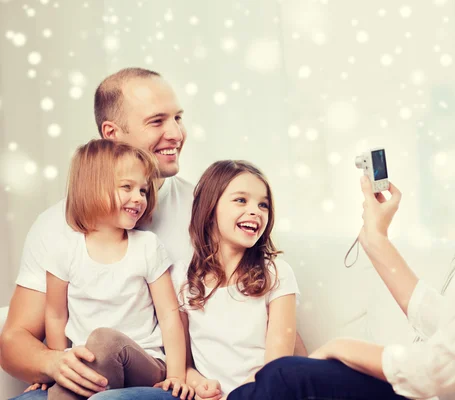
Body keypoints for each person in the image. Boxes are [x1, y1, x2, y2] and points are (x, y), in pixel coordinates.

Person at [225, 40, 455, 400]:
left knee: (287, 377)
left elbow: (436, 369)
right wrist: (376, 239)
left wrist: (342, 347)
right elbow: (454, 326)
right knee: (283, 376)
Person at [1, 68, 194, 400]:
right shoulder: (56, 229)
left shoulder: (208, 209)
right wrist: (54, 362)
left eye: (178, 118)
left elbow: (265, 292)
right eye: (157, 121)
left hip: (156, 378)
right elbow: (15, 340)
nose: (176, 133)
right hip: (85, 376)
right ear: (112, 134)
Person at [27, 140, 188, 399]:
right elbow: (56, 316)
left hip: (145, 364)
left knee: (104, 339)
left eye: (143, 191)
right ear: (91, 189)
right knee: (89, 356)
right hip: (90, 364)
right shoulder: (63, 250)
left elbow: (170, 315)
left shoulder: (147, 246)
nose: (139, 198)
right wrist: (57, 369)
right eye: (127, 187)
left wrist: (177, 376)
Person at [170, 160, 299, 399]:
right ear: (209, 209)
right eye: (241, 200)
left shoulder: (277, 274)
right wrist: (200, 384)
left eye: (263, 205)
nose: (255, 211)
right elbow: (183, 364)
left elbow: (276, 367)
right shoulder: (182, 276)